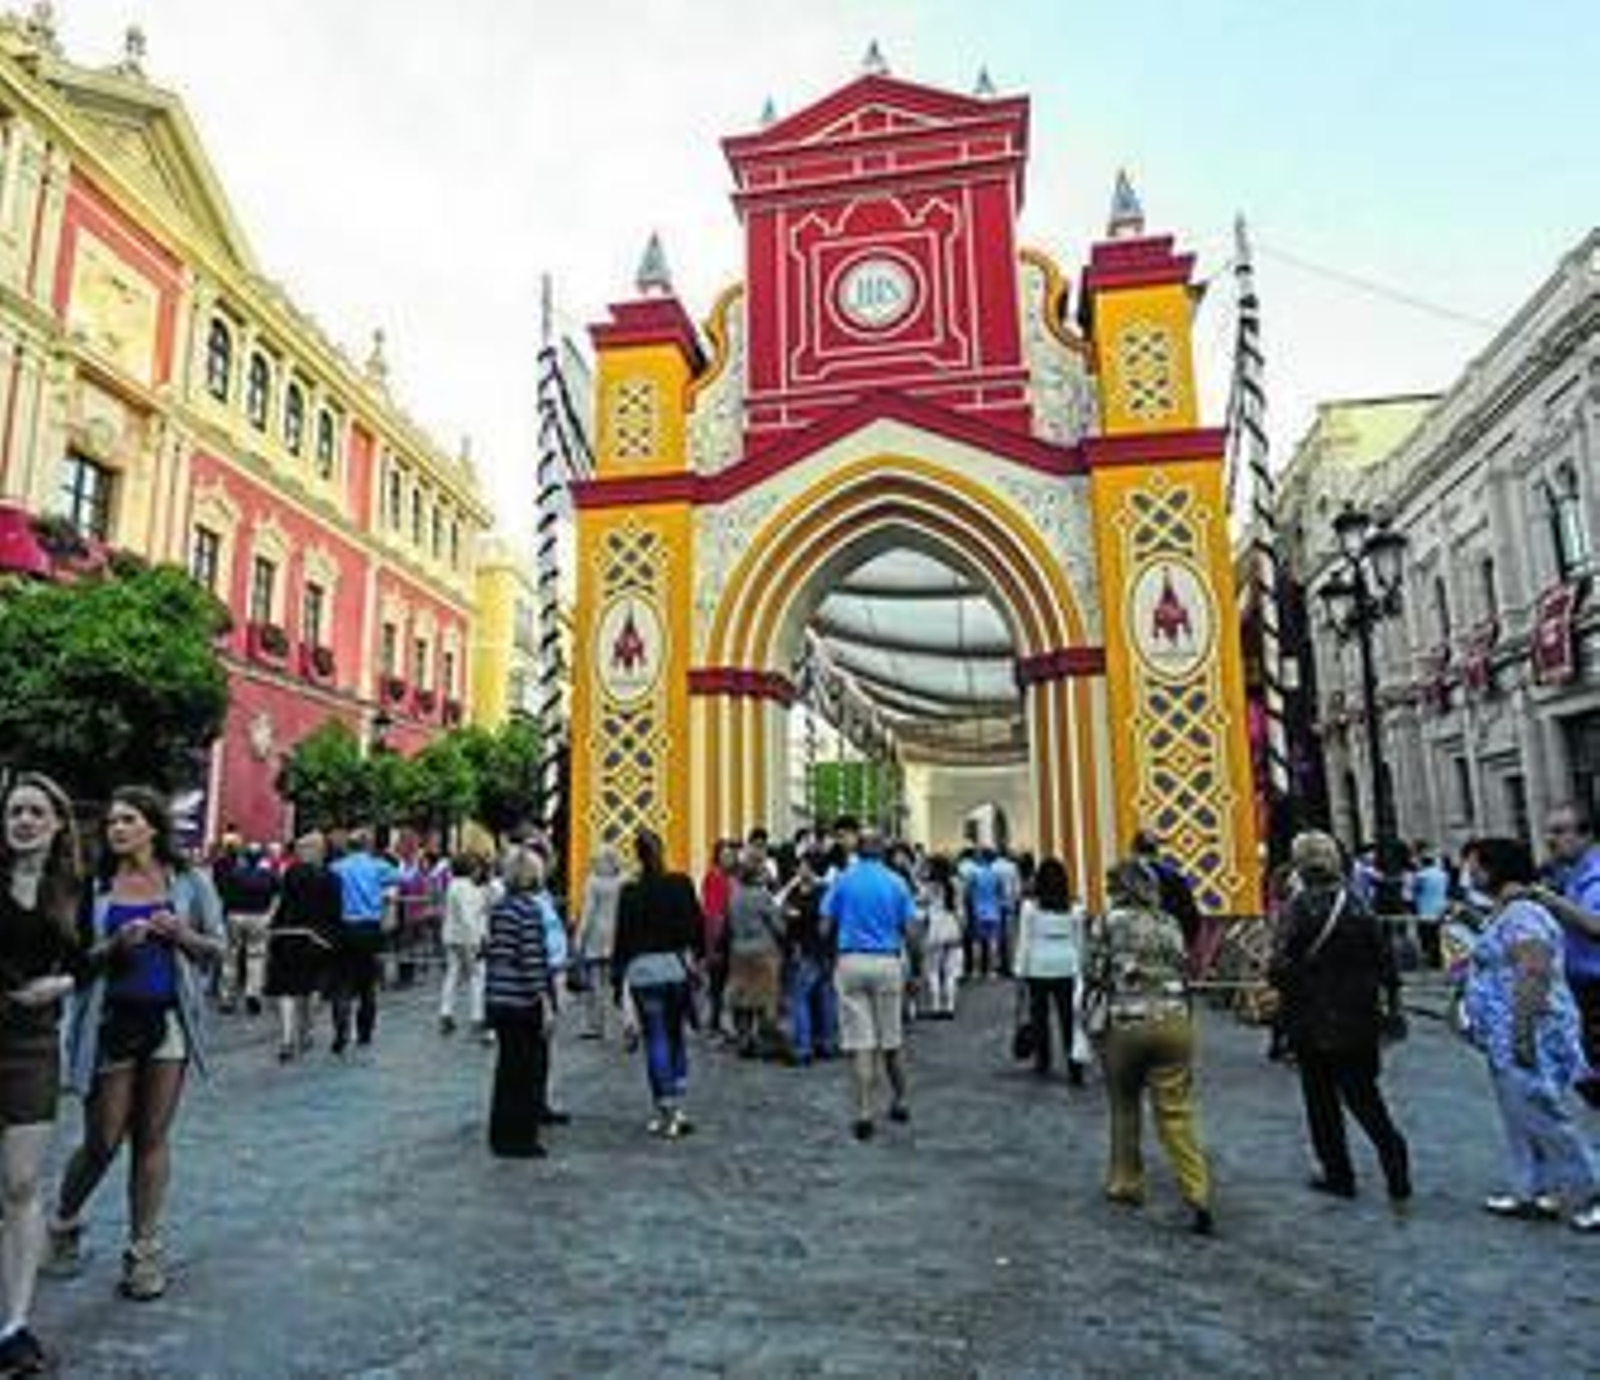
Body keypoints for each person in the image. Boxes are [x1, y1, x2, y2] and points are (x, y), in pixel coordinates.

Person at [48, 786, 226, 1301]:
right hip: (109, 1020)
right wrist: (113, 946)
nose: (116, 829)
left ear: (152, 826)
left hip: (168, 1020)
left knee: (151, 1138)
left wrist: (181, 935)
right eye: (111, 822)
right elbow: (76, 962)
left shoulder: (190, 880)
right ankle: (63, 1221)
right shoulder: (96, 885)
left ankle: (143, 1252)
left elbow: (216, 947)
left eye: (127, 820)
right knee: (103, 1139)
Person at [1463, 836, 1600, 1230]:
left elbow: (1534, 970)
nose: (1469, 873)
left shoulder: (1523, 913)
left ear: (1491, 869)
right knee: (1520, 1114)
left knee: (1543, 1113)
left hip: (1528, 1031)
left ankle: (1590, 1188)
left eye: (1473, 865)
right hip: (1506, 1033)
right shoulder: (1508, 911)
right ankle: (1533, 1189)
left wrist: (1522, 1032)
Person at [1270, 830, 1411, 1204]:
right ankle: (1393, 1156)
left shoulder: (1298, 908)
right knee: (1365, 1096)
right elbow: (1386, 964)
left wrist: (1288, 978)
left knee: (1321, 1100)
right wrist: (1391, 1007)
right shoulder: (1358, 904)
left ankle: (1339, 1173)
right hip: (1359, 1016)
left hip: (1311, 1017)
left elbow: (1279, 965)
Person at [0, 773, 84, 1372]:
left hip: (32, 1044)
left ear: (56, 824)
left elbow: (87, 960)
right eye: (14, 811)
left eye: (35, 812)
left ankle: (15, 1325)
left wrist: (63, 982)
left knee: (22, 1185)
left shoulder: (72, 891)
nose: (23, 821)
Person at [1088, 858, 1214, 1235]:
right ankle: (1198, 1190)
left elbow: (1093, 971)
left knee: (1125, 1106)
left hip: (1127, 1022)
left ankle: (1126, 1181)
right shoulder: (1169, 923)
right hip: (1175, 1021)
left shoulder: (1109, 922)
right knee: (1177, 1112)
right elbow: (1183, 963)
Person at [823, 829, 915, 1141]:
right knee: (891, 1040)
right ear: (882, 851)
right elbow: (911, 928)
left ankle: (864, 1110)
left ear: (858, 851)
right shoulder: (896, 882)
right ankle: (900, 1099)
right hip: (887, 962)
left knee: (861, 1043)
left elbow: (824, 922)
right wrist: (912, 967)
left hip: (851, 961)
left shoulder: (844, 880)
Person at [613, 830, 702, 1138]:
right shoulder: (680, 885)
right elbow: (695, 926)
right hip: (673, 969)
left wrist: (617, 982)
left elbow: (621, 941)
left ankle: (664, 1106)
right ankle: (677, 1104)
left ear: (637, 855)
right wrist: (698, 959)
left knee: (656, 1038)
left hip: (642, 973)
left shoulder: (629, 892)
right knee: (676, 1034)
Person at [481, 846, 554, 1158]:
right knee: (524, 1069)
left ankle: (501, 1134)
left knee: (506, 1069)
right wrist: (545, 1000)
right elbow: (532, 959)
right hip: (521, 999)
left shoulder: (500, 908)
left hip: (498, 995)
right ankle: (520, 1137)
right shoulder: (528, 910)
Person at [1531, 803, 1600, 1107]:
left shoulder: (1596, 875)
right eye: (1549, 831)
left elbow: (1596, 926)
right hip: (1581, 992)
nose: (1550, 839)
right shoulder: (1571, 875)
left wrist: (1550, 900)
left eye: (1559, 831)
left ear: (1586, 836)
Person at [265, 831, 341, 1062]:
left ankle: (287, 1038)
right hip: (317, 939)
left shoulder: (290, 873)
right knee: (312, 987)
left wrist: (272, 930)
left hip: (288, 936)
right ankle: (306, 1031)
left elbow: (281, 903)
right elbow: (334, 912)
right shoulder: (330, 877)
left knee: (287, 989)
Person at [1015, 857, 1087, 1084]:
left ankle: (1043, 1060)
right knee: (1069, 1019)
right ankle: (1074, 1063)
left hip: (1038, 966)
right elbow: (1080, 942)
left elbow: (1024, 942)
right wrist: (1082, 969)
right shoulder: (1075, 908)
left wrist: (1020, 972)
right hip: (1067, 965)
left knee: (1040, 1017)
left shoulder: (1030, 908)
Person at [327, 830, 398, 1055]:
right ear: (368, 846)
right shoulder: (378, 866)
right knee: (367, 984)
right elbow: (402, 877)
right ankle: (364, 1032)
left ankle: (340, 1032)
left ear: (349, 846)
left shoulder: (337, 867)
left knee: (342, 982)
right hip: (369, 929)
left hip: (344, 927)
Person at [726, 851, 785, 1059]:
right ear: (758, 876)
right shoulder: (762, 896)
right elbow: (778, 926)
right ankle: (764, 1042)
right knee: (763, 998)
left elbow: (729, 924)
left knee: (742, 999)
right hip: (763, 952)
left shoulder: (734, 896)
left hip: (739, 951)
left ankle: (744, 1040)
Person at [782, 853, 836, 1061]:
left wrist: (797, 914)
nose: (799, 870)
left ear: (812, 869)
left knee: (800, 998)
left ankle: (803, 1047)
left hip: (812, 951)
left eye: (802, 866)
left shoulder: (823, 891)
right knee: (823, 997)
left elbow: (820, 918)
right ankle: (825, 1042)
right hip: (811, 950)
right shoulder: (797, 890)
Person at [213, 842, 278, 1015]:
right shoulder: (268, 875)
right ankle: (253, 993)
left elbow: (224, 895)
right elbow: (276, 894)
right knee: (256, 957)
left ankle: (227, 997)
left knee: (230, 957)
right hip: (259, 917)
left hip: (235, 916)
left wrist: (224, 917)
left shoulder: (233, 874)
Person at [438, 854, 488, 1039]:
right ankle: (477, 1016)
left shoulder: (452, 885)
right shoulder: (466, 887)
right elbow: (468, 918)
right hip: (468, 939)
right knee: (477, 976)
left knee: (452, 974)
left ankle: (445, 1012)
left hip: (451, 936)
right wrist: (472, 941)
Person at [575, 847, 623, 1040]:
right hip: (616, 935)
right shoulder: (623, 881)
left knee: (595, 983)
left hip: (596, 935)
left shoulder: (592, 882)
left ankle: (596, 1024)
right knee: (614, 982)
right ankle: (617, 1023)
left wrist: (578, 937)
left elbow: (587, 912)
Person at [699, 840, 737, 1038]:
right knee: (717, 983)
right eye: (725, 855)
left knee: (721, 982)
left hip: (729, 935)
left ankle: (716, 1022)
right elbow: (713, 912)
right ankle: (716, 1023)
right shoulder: (714, 877)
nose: (729, 858)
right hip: (718, 937)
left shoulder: (730, 877)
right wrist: (714, 943)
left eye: (731, 855)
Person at [920, 855, 963, 1020]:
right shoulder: (956, 884)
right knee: (951, 971)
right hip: (952, 926)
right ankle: (950, 1006)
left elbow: (921, 902)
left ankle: (936, 1006)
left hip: (934, 928)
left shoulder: (929, 886)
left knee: (933, 970)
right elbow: (960, 909)